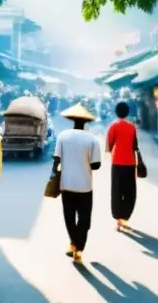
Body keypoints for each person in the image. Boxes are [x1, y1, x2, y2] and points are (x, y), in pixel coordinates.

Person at [54, 103, 102, 264]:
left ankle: (73, 244)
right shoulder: (92, 139)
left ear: (72, 120)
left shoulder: (63, 136)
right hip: (85, 186)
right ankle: (78, 247)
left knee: (69, 217)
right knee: (84, 219)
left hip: (66, 184)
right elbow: (96, 165)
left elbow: (56, 160)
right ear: (86, 122)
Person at [107, 102, 141, 231]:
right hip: (130, 162)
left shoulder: (113, 126)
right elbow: (134, 144)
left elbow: (109, 145)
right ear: (127, 112)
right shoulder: (132, 127)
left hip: (117, 162)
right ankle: (125, 217)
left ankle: (118, 219)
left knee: (117, 191)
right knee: (129, 191)